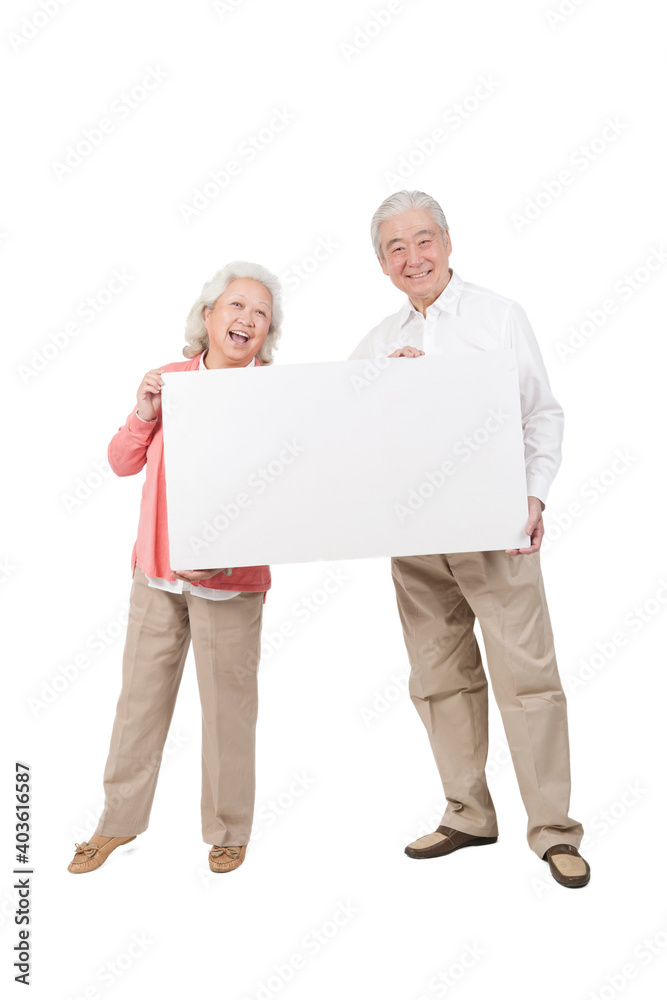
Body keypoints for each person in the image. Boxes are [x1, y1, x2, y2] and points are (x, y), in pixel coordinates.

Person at [348, 191, 590, 888]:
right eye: (395, 247)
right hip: (414, 538)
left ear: (447, 243)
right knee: (437, 679)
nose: (412, 256)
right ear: (381, 264)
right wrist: (375, 388)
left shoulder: (497, 317)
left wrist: (534, 495)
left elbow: (542, 414)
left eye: (422, 240)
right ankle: (467, 813)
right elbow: (341, 437)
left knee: (527, 681)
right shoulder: (375, 340)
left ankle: (552, 831)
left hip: (494, 529)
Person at [68, 261, 282, 875]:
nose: (246, 319)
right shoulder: (171, 380)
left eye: (260, 313)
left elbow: (289, 490)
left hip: (230, 585)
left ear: (267, 334)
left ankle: (228, 828)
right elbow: (120, 462)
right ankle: (116, 825)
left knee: (227, 711)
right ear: (208, 316)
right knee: (138, 704)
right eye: (236, 306)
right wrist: (142, 410)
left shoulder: (273, 394)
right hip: (156, 576)